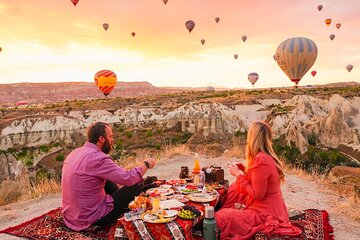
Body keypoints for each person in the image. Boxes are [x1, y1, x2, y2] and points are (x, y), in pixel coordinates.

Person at [62, 122, 156, 231]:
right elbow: (128, 178)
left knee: (107, 179)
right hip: (91, 218)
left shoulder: (74, 153)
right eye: (110, 136)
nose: (113, 140)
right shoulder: (97, 158)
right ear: (102, 139)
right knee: (135, 185)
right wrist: (146, 164)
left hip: (71, 217)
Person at [216, 121, 302, 239]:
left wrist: (238, 175)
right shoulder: (264, 157)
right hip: (272, 208)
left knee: (221, 218)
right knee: (234, 190)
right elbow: (259, 178)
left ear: (252, 138)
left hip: (264, 213)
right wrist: (244, 169)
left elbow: (258, 194)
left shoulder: (261, 161)